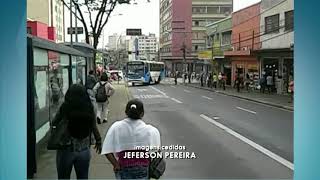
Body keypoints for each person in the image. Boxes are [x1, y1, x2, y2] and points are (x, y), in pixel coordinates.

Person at [101, 99, 161, 179]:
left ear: (126, 112)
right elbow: (156, 152)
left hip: (124, 167)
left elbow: (106, 150)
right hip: (142, 168)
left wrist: (115, 164)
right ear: (142, 113)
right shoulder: (151, 131)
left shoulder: (116, 127)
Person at [52, 84, 102, 179]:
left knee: (63, 177)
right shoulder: (89, 106)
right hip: (84, 149)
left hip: (65, 148)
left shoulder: (65, 106)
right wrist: (98, 140)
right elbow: (93, 125)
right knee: (83, 177)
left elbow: (54, 122)